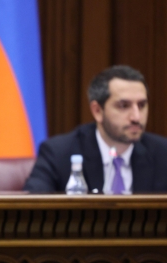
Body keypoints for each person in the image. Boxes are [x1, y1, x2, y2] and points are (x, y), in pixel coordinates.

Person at [24, 65, 167, 194]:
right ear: (97, 111)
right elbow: (33, 207)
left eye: (141, 105)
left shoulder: (162, 154)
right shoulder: (59, 153)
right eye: (124, 106)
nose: (136, 117)